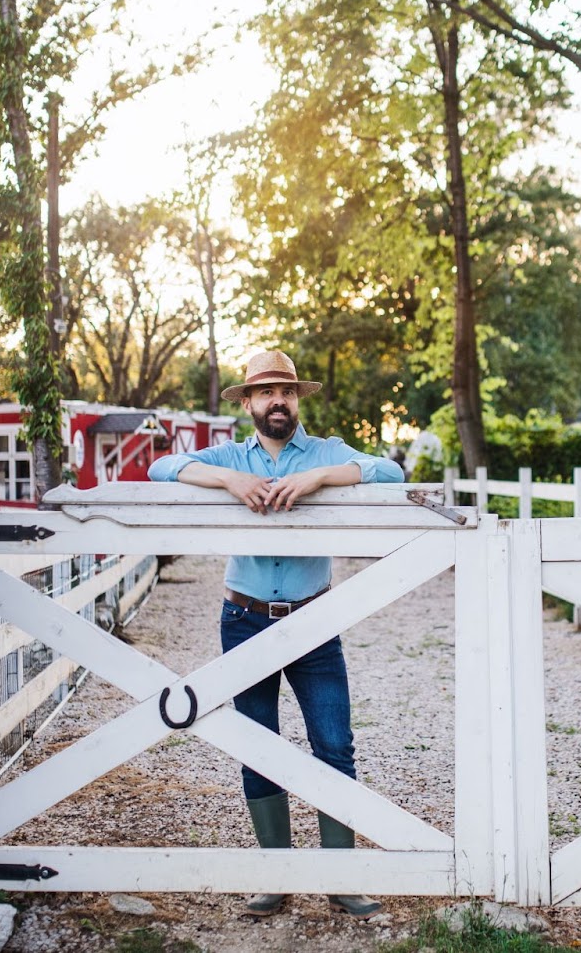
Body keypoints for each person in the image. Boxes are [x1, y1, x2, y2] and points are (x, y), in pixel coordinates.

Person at [147, 349, 404, 919]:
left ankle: (340, 881)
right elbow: (161, 469)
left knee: (334, 745)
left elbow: (392, 472)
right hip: (243, 620)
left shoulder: (327, 451)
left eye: (285, 390)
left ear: (298, 398)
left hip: (315, 620)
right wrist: (230, 480)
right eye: (265, 392)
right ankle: (277, 878)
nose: (277, 401)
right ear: (248, 403)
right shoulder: (229, 456)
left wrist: (318, 477)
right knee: (257, 749)